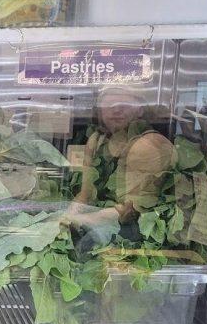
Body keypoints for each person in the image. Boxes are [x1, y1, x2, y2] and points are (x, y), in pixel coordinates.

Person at [66, 84, 176, 240]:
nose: (116, 110)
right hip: (103, 219)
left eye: (124, 105)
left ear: (140, 110)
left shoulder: (147, 145)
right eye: (108, 105)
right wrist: (68, 217)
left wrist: (82, 220)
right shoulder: (97, 141)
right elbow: (85, 194)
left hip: (140, 230)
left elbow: (132, 210)